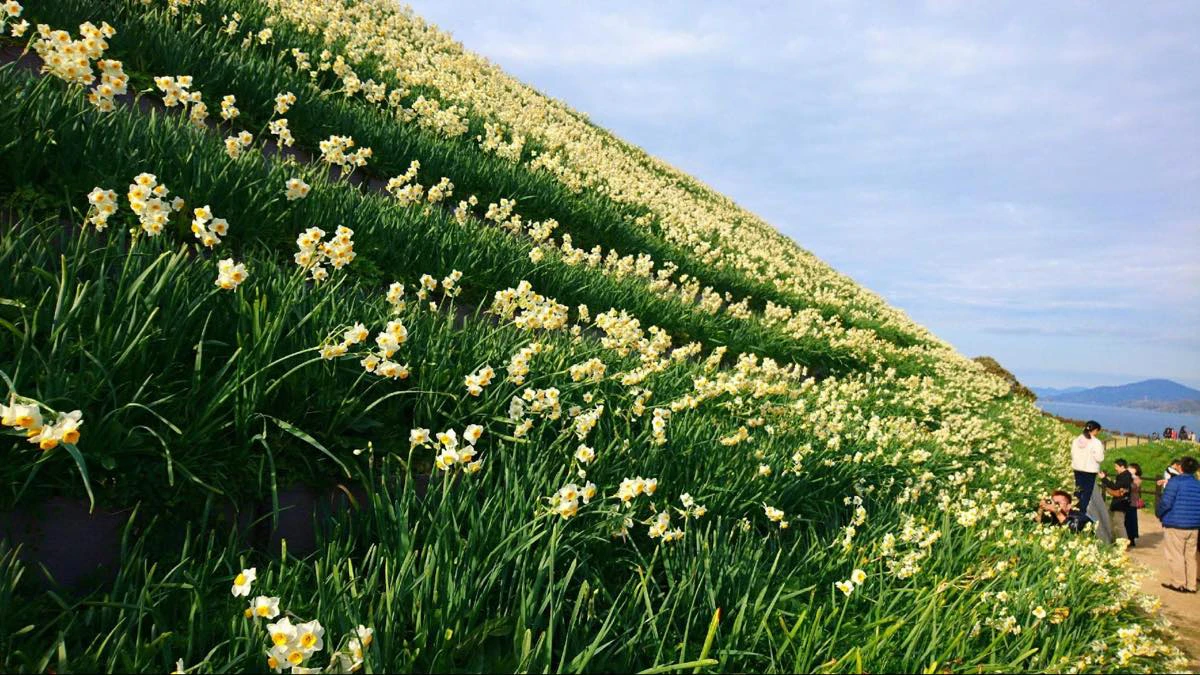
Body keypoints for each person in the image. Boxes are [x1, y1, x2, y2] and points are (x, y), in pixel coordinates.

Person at [1156, 456, 1200, 593]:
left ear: (1180, 467)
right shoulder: (1197, 483)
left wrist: (1159, 513)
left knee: (1176, 554)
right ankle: (1191, 585)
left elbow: (1166, 502)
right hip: (1194, 525)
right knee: (1190, 556)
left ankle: (1178, 583)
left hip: (1176, 523)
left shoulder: (1175, 482)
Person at [1098, 459, 1134, 544]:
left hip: (1121, 503)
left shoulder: (1125, 476)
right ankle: (1114, 541)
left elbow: (1115, 486)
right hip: (1117, 502)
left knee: (1119, 524)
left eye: (1116, 466)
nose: (1115, 468)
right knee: (1112, 522)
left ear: (1122, 466)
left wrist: (1104, 479)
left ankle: (1124, 543)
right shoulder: (1124, 475)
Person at [1071, 421, 1105, 510]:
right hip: (1090, 471)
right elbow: (1099, 458)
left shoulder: (1076, 440)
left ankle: (1074, 509)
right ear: (1095, 430)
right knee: (1086, 493)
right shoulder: (1096, 442)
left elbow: (1072, 454)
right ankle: (1082, 511)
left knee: (1078, 490)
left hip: (1077, 469)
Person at [1126, 463, 1144, 546]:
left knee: (1131, 521)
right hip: (1129, 502)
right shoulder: (1130, 477)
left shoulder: (1137, 478)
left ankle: (1131, 538)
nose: (1128, 469)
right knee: (1129, 520)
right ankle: (1130, 537)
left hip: (1132, 502)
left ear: (1135, 470)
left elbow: (1133, 487)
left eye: (1131, 468)